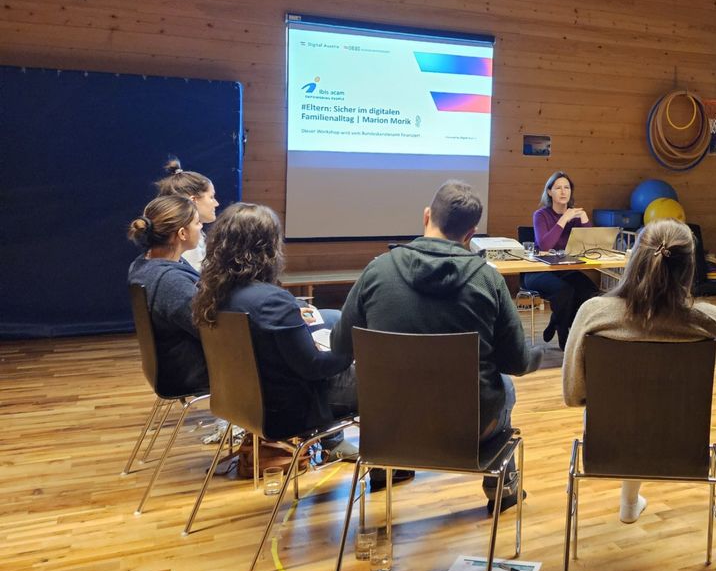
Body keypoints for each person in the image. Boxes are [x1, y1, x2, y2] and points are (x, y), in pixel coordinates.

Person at [334, 180, 542, 503]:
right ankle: (503, 491)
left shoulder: (376, 271)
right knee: (507, 387)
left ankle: (385, 469)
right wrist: (537, 355)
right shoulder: (489, 280)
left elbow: (339, 347)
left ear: (426, 216)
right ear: (470, 235)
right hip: (468, 430)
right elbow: (516, 362)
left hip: (389, 426)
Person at [562, 219, 716, 523]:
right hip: (681, 444)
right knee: (652, 402)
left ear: (634, 259)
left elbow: (573, 394)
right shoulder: (709, 321)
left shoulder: (594, 314)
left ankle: (629, 501)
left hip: (608, 444)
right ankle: (629, 502)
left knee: (631, 404)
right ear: (690, 267)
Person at [192, 203, 356, 452]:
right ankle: (386, 464)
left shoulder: (212, 294)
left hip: (241, 402)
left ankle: (335, 446)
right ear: (267, 248)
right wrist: (351, 349)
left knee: (332, 321)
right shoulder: (270, 301)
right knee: (388, 379)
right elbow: (314, 367)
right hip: (290, 409)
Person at [126, 195, 208, 394]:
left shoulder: (143, 263)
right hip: (188, 372)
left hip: (172, 365)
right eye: (197, 223)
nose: (201, 228)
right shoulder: (170, 281)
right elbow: (210, 331)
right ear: (182, 233)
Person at [527, 171, 601, 348]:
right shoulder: (541, 215)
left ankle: (557, 320)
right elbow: (545, 245)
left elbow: (590, 247)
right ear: (549, 192)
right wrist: (564, 219)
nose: (563, 191)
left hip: (565, 269)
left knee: (590, 292)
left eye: (567, 187)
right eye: (558, 187)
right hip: (539, 270)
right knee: (564, 292)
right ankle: (563, 329)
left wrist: (584, 220)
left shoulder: (575, 217)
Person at [154, 158, 219, 271]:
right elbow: (198, 282)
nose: (216, 203)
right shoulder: (186, 241)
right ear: (193, 200)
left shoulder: (193, 234)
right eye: (211, 197)